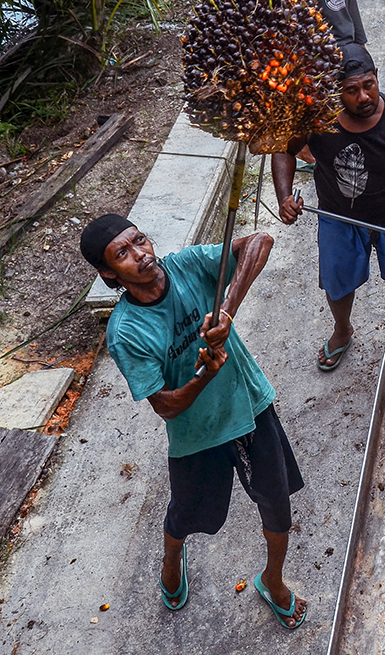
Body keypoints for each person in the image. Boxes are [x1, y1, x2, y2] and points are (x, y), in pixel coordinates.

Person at [80, 215, 307, 629]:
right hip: (197, 435)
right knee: (188, 515)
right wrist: (203, 376)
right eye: (123, 254)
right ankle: (171, 556)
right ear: (109, 273)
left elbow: (261, 240)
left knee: (277, 506)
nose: (141, 255)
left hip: (250, 405)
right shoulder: (126, 332)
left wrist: (227, 310)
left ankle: (272, 579)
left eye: (140, 240)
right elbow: (164, 406)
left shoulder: (187, 265)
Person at [273, 44, 385, 371]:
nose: (363, 97)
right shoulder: (317, 120)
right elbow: (284, 150)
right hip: (338, 216)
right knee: (336, 281)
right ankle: (342, 330)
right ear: (334, 92)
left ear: (377, 78)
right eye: (351, 90)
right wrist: (284, 195)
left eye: (369, 85)